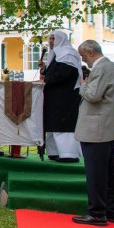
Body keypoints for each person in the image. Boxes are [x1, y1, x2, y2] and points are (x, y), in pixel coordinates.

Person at [73, 40, 114, 226]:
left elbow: (93, 96)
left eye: (83, 55)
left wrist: (83, 84)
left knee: (96, 173)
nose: (83, 59)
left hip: (97, 129)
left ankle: (97, 213)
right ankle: (113, 210)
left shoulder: (101, 69)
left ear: (90, 52)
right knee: (111, 172)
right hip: (110, 127)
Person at [39, 30, 83, 162]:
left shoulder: (67, 53)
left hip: (65, 98)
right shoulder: (57, 54)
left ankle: (68, 154)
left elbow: (64, 74)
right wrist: (44, 69)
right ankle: (54, 152)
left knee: (63, 124)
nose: (51, 41)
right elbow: (53, 72)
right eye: (49, 39)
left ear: (61, 39)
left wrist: (46, 79)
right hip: (54, 97)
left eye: (53, 38)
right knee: (53, 124)